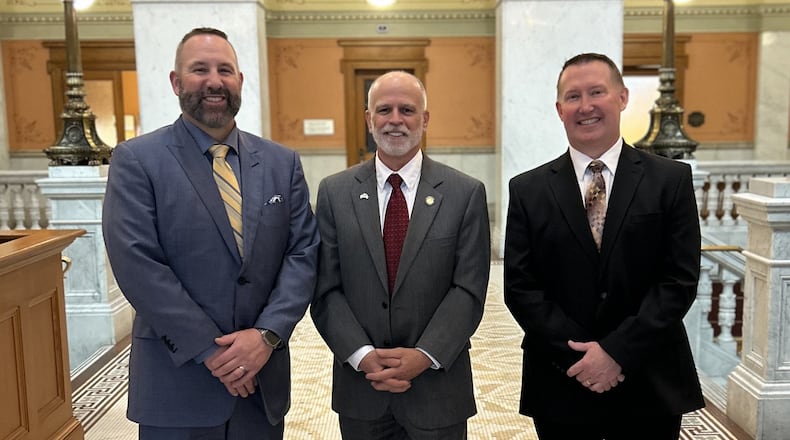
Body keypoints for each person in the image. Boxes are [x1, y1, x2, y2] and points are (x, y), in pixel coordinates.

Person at [102, 27, 319, 439]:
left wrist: (265, 335)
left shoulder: (281, 162)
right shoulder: (136, 160)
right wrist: (212, 351)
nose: (214, 81)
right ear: (176, 81)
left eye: (225, 70)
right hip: (177, 382)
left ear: (240, 81)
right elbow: (138, 264)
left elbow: (303, 252)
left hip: (261, 381)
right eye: (199, 69)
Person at [504, 52, 704, 440]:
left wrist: (616, 353)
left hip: (650, 379)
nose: (586, 105)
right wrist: (582, 358)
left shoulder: (670, 180)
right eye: (573, 96)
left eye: (597, 91)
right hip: (562, 380)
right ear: (559, 109)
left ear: (622, 97)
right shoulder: (527, 190)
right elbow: (521, 288)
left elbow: (678, 281)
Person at [310, 71, 491, 439]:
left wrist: (424, 355)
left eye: (407, 110)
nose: (395, 120)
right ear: (368, 119)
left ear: (424, 120)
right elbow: (325, 287)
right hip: (362, 388)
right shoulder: (334, 192)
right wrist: (362, 355)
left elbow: (468, 289)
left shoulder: (465, 193)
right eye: (384, 110)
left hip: (439, 389)